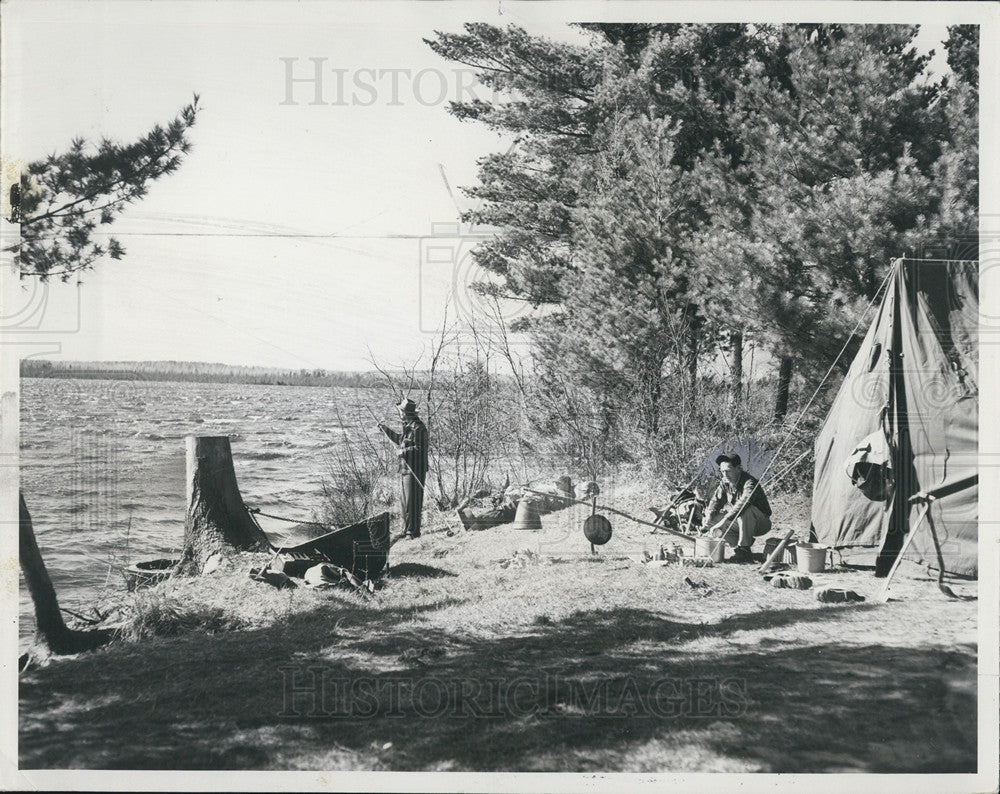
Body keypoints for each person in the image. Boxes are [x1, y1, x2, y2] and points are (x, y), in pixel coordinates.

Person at [703, 452, 772, 563]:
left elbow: (744, 503)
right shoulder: (725, 482)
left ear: (739, 468)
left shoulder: (750, 482)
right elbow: (716, 501)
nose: (725, 475)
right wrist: (709, 516)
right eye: (722, 472)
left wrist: (725, 520)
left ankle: (744, 548)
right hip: (740, 522)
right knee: (714, 518)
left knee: (745, 510)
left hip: (761, 523)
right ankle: (738, 549)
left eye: (728, 471)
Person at [377, 397, 429, 539]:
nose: (400, 414)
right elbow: (399, 439)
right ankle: (405, 529)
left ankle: (413, 532)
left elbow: (420, 448)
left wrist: (403, 452)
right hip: (405, 469)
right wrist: (385, 429)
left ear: (406, 413)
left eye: (401, 411)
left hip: (415, 470)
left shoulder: (419, 428)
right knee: (404, 501)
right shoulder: (408, 426)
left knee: (413, 501)